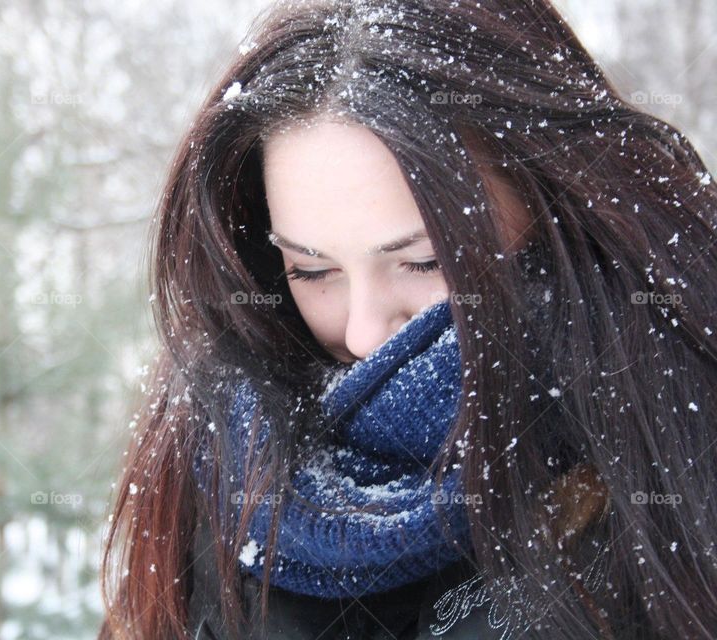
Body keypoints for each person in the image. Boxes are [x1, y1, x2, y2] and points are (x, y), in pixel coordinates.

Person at [98, 0, 717, 638]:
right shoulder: (220, 457)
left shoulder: (676, 452)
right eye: (312, 272)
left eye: (423, 262)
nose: (364, 334)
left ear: (552, 204)